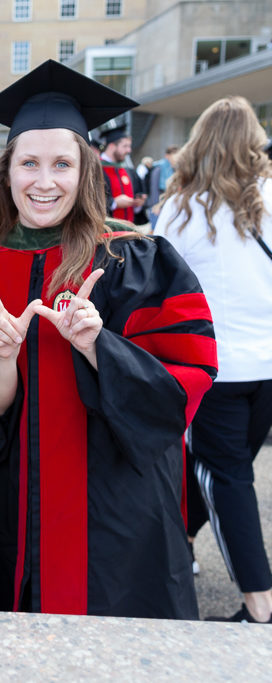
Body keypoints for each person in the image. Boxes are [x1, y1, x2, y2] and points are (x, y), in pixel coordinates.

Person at [0, 60, 217, 618]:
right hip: (21, 513)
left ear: (85, 172)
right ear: (5, 173)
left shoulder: (137, 260)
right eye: (29, 163)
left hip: (118, 515)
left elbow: (181, 391)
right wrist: (2, 359)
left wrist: (101, 346)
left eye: (61, 164)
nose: (44, 181)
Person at [153, 96, 272, 624]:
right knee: (230, 468)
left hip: (215, 367)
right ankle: (184, 537)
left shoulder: (181, 207)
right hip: (268, 363)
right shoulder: (268, 198)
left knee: (225, 476)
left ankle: (259, 603)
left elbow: (153, 279)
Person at [99, 126, 146, 224]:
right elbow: (90, 199)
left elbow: (138, 195)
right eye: (125, 146)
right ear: (112, 146)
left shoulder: (129, 171)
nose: (129, 150)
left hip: (129, 229)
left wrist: (138, 203)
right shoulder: (95, 169)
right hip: (105, 231)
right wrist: (114, 203)